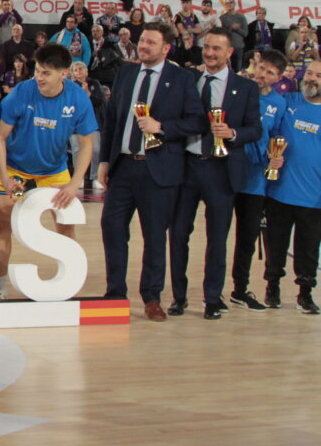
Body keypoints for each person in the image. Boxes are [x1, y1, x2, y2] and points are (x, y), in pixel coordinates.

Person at [98, 22, 203, 321]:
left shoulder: (182, 78)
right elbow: (113, 121)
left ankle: (152, 297)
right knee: (112, 229)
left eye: (150, 43)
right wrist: (104, 161)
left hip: (158, 170)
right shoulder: (127, 72)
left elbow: (197, 121)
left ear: (166, 48)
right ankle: (115, 293)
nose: (143, 46)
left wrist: (163, 128)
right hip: (122, 167)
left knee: (155, 237)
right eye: (142, 41)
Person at [0, 44, 97, 300]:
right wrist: (4, 176)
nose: (39, 77)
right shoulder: (21, 92)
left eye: (46, 73)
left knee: (66, 226)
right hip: (16, 167)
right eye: (37, 70)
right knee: (3, 222)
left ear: (64, 74)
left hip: (54, 170)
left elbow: (86, 144)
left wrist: (74, 183)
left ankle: (68, 283)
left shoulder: (78, 98)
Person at [169, 27, 261, 319]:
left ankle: (212, 299)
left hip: (222, 171)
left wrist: (232, 132)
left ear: (229, 52)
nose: (209, 53)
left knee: (217, 239)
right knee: (179, 234)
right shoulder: (188, 79)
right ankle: (179, 297)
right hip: (186, 167)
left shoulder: (246, 87)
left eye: (216, 49)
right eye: (206, 47)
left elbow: (255, 129)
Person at [229, 49, 288, 312]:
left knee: (247, 238)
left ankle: (239, 290)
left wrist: (276, 158)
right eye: (262, 68)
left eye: (270, 73)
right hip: (227, 173)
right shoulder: (238, 89)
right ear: (255, 66)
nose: (263, 75)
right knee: (218, 236)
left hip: (255, 180)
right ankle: (212, 292)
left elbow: (277, 139)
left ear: (278, 77)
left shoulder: (280, 103)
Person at [262, 59, 321, 314]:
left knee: (308, 249)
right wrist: (269, 153)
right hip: (280, 191)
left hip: (314, 195)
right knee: (276, 243)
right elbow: (269, 133)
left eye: (318, 75)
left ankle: (305, 293)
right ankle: (272, 286)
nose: (312, 78)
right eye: (309, 73)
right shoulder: (288, 103)